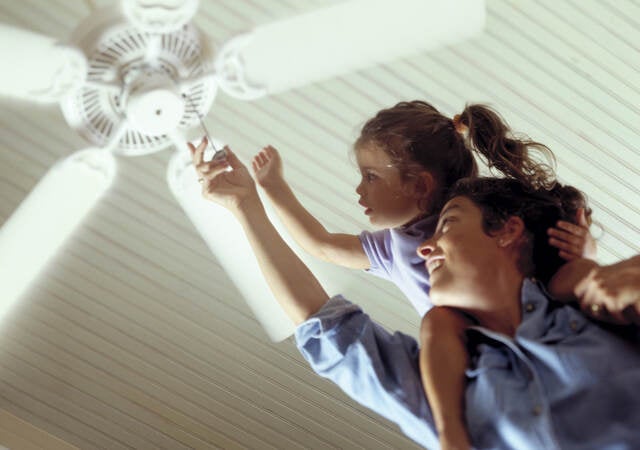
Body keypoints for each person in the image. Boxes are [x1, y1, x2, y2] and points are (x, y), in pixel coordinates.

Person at [189, 143, 640, 449]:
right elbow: (323, 326)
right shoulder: (446, 398)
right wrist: (245, 205)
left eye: (447, 225)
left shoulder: (597, 307)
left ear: (508, 232)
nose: (425, 247)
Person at [249, 101, 596, 448]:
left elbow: (550, 263)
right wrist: (272, 188)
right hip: (480, 367)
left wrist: (583, 255)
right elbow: (321, 245)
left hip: (530, 342)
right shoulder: (396, 251)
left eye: (371, 177)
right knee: (440, 324)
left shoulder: (471, 221)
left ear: (420, 185)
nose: (359, 190)